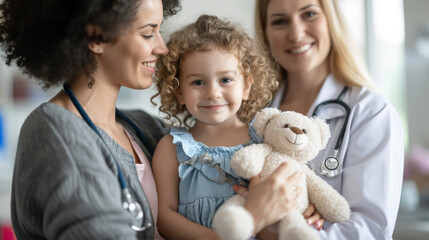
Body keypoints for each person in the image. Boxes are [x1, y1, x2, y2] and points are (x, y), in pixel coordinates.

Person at [0, 0, 305, 239]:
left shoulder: (143, 126)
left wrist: (297, 204)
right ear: (97, 38)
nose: (162, 47)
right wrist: (250, 217)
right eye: (148, 33)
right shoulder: (57, 133)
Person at [255, 0, 404, 239]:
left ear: (331, 20)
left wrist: (269, 231)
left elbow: (370, 230)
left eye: (309, 14)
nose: (296, 33)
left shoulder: (370, 112)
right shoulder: (252, 114)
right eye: (279, 21)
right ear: (265, 33)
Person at [150, 14, 286, 239]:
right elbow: (164, 216)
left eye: (225, 80)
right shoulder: (171, 149)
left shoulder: (264, 141)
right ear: (179, 91)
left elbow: (280, 205)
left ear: (246, 86)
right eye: (198, 82)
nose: (213, 93)